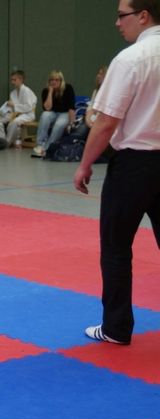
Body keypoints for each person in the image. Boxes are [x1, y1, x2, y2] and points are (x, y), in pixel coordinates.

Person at [74, 0, 160, 345]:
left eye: (122, 15)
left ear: (143, 16)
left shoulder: (130, 59)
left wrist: (84, 164)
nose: (117, 23)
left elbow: (106, 121)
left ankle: (116, 327)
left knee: (115, 247)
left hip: (134, 165)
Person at [32, 70, 76, 157]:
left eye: (57, 80)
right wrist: (50, 92)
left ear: (61, 81)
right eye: (51, 80)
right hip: (52, 113)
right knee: (44, 115)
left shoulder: (68, 88)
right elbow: (47, 108)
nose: (54, 82)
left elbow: (71, 107)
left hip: (65, 113)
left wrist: (71, 123)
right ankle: (40, 144)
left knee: (59, 124)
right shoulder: (46, 91)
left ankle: (48, 148)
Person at [0, 70, 37, 148]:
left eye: (14, 80)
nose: (12, 82)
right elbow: (12, 108)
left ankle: (7, 142)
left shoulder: (27, 91)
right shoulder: (13, 93)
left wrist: (14, 105)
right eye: (11, 80)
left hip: (27, 114)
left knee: (15, 122)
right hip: (15, 113)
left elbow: (29, 107)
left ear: (21, 79)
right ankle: (0, 140)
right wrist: (5, 110)